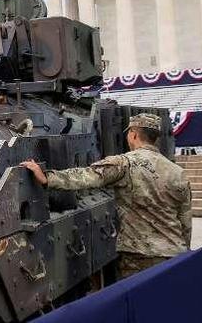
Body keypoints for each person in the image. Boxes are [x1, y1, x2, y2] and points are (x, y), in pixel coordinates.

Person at [20, 113, 192, 279]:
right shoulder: (178, 173)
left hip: (139, 256)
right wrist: (184, 251)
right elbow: (185, 220)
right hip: (174, 254)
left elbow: (86, 176)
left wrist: (47, 178)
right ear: (155, 137)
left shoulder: (124, 163)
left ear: (133, 134)